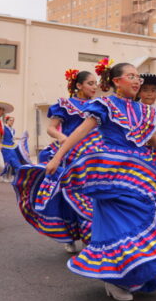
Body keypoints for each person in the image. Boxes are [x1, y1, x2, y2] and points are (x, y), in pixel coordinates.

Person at [45, 62, 156, 301]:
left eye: (138, 77)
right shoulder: (105, 105)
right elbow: (80, 133)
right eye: (131, 76)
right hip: (112, 173)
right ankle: (114, 278)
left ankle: (138, 272)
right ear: (117, 81)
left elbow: (151, 139)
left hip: (142, 173)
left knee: (150, 217)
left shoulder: (145, 111)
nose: (137, 81)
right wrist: (58, 156)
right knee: (117, 226)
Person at [18, 68, 101, 254]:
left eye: (96, 83)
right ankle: (70, 235)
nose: (94, 87)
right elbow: (51, 128)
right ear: (78, 85)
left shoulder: (98, 105)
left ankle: (92, 237)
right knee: (71, 196)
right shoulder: (65, 104)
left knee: (92, 195)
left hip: (93, 156)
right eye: (90, 83)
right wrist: (63, 138)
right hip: (70, 154)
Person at [0, 115, 30, 180]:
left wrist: (22, 138)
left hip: (12, 146)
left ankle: (18, 173)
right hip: (6, 147)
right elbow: (0, 136)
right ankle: (12, 174)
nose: (12, 122)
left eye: (13, 121)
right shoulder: (4, 128)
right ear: (7, 121)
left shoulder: (13, 130)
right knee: (10, 161)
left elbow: (12, 138)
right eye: (10, 120)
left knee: (17, 157)